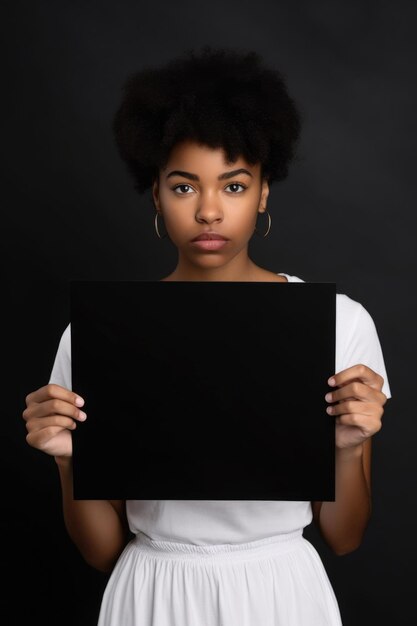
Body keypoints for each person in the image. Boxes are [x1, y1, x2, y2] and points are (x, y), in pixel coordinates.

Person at [22, 46, 392, 626]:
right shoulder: (99, 334)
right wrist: (70, 465)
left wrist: (346, 450)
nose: (210, 212)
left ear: (265, 192)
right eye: (185, 186)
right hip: (151, 592)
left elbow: (344, 537)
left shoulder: (340, 323)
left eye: (235, 186)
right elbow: (100, 552)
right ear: (157, 194)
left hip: (282, 593)